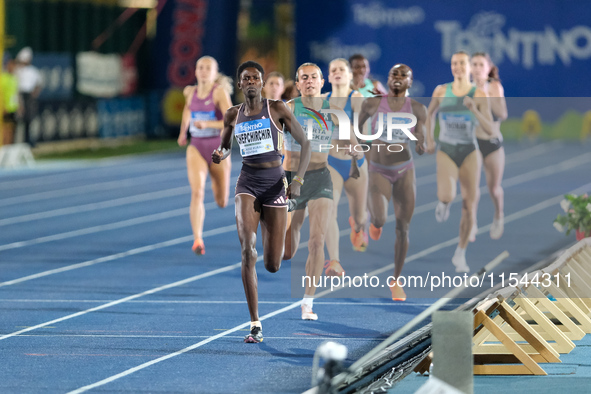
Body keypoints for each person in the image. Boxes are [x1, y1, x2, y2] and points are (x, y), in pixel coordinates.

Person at [212, 61, 310, 344]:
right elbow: (225, 147)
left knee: (274, 264)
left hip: (275, 183)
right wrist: (220, 155)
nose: (252, 81)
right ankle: (255, 323)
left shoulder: (277, 108)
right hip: (247, 184)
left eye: (256, 77)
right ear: (240, 84)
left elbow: (305, 144)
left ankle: (288, 223)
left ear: (262, 83)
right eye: (246, 78)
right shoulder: (232, 115)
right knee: (247, 251)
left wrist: (299, 180)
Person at [357, 64, 427, 301]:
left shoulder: (417, 108)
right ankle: (373, 224)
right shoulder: (373, 103)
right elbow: (358, 126)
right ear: (387, 79)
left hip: (404, 170)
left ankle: (396, 280)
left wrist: (421, 143)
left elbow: (422, 134)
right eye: (393, 74)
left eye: (402, 76)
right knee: (378, 218)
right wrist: (363, 147)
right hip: (378, 170)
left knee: (403, 227)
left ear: (410, 81)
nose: (397, 78)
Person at [425, 51, 494, 273]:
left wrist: (474, 109)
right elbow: (429, 114)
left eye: (462, 63)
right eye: (454, 63)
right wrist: (429, 138)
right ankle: (444, 203)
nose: (458, 67)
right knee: (447, 195)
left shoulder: (479, 94)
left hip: (469, 151)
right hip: (446, 149)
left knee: (469, 205)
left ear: (469, 67)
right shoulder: (441, 90)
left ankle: (460, 253)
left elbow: (490, 128)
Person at [283, 62, 335, 321]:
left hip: (320, 178)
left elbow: (347, 141)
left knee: (317, 240)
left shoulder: (332, 111)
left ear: (322, 81)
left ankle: (308, 302)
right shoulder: (289, 108)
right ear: (298, 83)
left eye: (314, 77)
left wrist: (354, 150)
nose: (310, 81)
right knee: (289, 247)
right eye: (305, 78)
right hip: (292, 179)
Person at [178, 56, 233, 255]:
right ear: (195, 71)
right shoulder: (189, 92)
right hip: (196, 146)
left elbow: (231, 121)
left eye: (207, 68)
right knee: (197, 192)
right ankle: (197, 239)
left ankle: (215, 176)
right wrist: (183, 132)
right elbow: (187, 109)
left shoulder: (219, 93)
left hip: (218, 148)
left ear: (214, 72)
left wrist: (208, 124)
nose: (203, 70)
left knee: (222, 201)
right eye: (200, 67)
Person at [322, 58, 368, 279]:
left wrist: (351, 138)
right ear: (329, 77)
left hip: (355, 164)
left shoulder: (356, 98)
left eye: (342, 69)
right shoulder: (321, 101)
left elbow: (365, 134)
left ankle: (357, 227)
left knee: (360, 216)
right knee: (329, 210)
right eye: (334, 70)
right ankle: (335, 261)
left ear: (350, 76)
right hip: (331, 163)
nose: (338, 73)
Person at [470, 52, 507, 240]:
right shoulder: (466, 88)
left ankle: (499, 215)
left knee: (493, 188)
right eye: (474, 65)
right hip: (474, 142)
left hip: (492, 143)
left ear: (488, 68)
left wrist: (486, 97)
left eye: (480, 65)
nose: (476, 69)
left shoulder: (494, 88)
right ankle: (472, 222)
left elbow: (502, 114)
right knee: (472, 187)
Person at [15, 47, 42, 146]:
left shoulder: (33, 71)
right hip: (20, 95)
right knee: (19, 119)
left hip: (29, 96)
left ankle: (29, 141)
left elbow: (38, 84)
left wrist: (34, 94)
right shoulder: (17, 70)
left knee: (30, 119)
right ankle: (19, 142)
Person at [1, 58, 20, 145]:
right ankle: (5, 150)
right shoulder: (3, 78)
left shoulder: (14, 78)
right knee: (6, 130)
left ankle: (10, 148)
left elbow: (16, 93)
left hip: (13, 107)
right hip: (6, 108)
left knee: (12, 129)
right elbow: (2, 93)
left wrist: (19, 106)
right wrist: (3, 106)